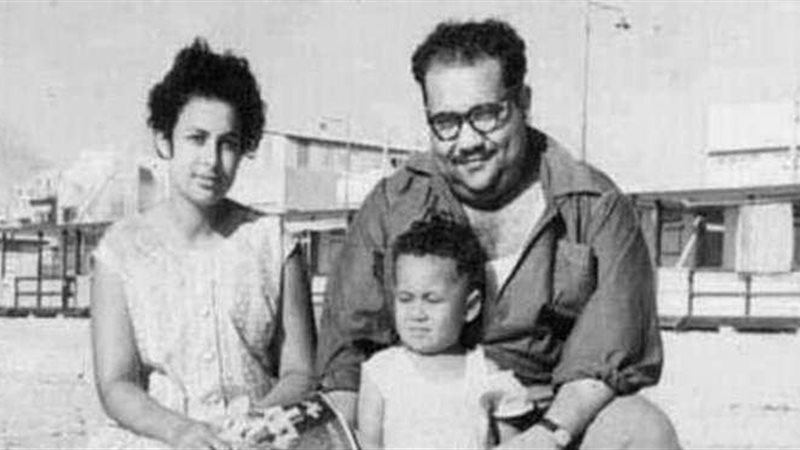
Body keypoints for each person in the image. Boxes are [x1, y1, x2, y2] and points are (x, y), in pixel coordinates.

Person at [317, 19, 681, 449]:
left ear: (523, 102)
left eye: (486, 115)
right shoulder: (391, 206)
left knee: (642, 430)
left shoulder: (595, 205)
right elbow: (347, 358)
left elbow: (612, 347)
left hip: (554, 411)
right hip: (420, 415)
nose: (468, 141)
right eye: (446, 122)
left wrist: (545, 436)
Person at [89, 39, 316, 450]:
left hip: (259, 439)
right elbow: (116, 384)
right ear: (164, 139)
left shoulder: (274, 243)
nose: (211, 160)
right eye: (196, 138)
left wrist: (254, 426)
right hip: (160, 439)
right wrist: (181, 432)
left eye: (227, 143)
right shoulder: (120, 251)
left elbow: (300, 371)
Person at [357, 216, 533, 449]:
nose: (417, 314)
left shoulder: (486, 374)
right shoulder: (382, 371)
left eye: (432, 300)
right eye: (406, 299)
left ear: (469, 308)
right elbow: (368, 445)